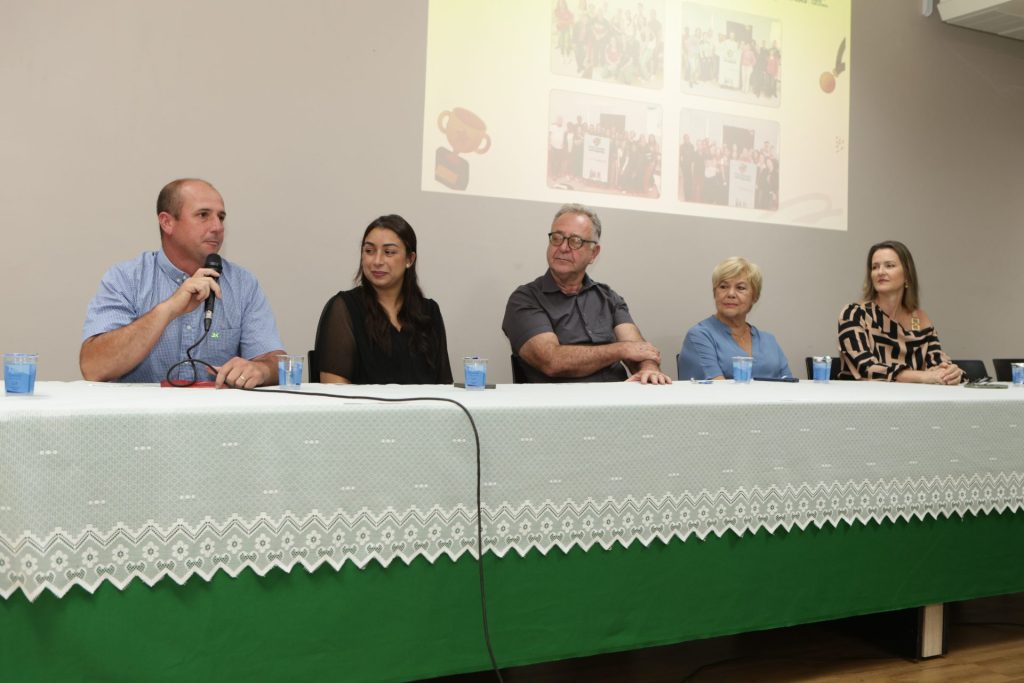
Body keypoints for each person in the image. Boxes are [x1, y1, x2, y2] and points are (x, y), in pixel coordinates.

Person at [81, 178, 284, 387]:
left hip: (215, 408)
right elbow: (93, 367)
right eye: (203, 215)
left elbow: (276, 362)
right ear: (167, 222)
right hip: (143, 408)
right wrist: (168, 309)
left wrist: (260, 370)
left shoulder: (242, 284)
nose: (217, 227)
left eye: (221, 217)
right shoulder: (126, 279)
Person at [502, 203, 670, 384]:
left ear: (594, 253)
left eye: (575, 241)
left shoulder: (608, 298)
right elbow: (552, 361)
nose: (563, 247)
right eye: (557, 238)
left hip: (617, 397)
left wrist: (649, 369)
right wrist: (621, 350)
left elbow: (639, 349)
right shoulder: (525, 299)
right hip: (560, 400)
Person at [315, 215, 452, 384]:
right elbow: (333, 387)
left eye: (389, 252)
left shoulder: (429, 312)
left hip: (425, 403)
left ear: (410, 259)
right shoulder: (344, 308)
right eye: (369, 251)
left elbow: (444, 384)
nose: (377, 261)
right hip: (361, 403)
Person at [837, 240, 962, 384]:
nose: (880, 272)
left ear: (907, 274)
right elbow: (865, 367)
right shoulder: (854, 314)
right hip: (861, 396)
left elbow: (937, 362)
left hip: (912, 397)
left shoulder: (920, 318)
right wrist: (921, 376)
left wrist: (950, 372)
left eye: (889, 266)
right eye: (875, 267)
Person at [677, 257, 791, 380]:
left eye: (740, 288)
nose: (730, 294)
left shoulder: (769, 341)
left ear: (755, 297)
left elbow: (790, 384)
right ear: (715, 293)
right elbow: (717, 388)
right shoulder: (700, 336)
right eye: (723, 287)